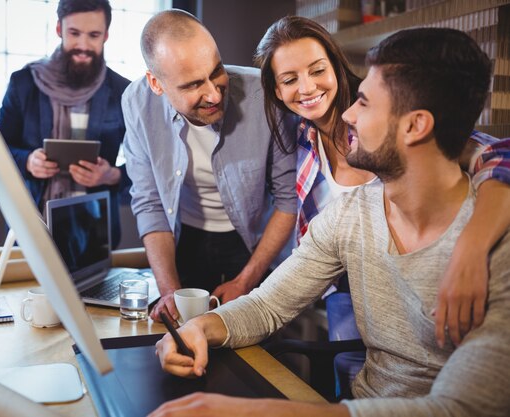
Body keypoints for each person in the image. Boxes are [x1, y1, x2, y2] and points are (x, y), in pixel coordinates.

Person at [152, 28, 510, 417]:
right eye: (288, 80)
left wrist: (249, 412)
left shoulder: (495, 238)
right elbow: (268, 306)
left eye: (364, 102)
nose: (349, 114)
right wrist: (199, 328)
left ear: (415, 126)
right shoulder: (347, 213)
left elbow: (461, 408)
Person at [254, 16, 510, 395]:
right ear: (276, 91)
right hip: (345, 283)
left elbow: (497, 153)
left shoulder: (386, 112)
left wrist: (471, 247)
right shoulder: (301, 137)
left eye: (317, 70)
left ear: (337, 66)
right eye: (289, 80)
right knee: (359, 383)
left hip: (418, 276)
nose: (306, 88)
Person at [122, 10, 297, 323]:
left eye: (216, 71)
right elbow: (149, 202)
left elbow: (288, 198)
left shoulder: (263, 95)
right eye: (192, 85)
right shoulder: (136, 103)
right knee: (187, 338)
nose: (214, 94)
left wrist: (246, 280)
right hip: (184, 237)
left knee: (254, 344)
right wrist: (168, 289)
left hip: (254, 241)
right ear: (156, 84)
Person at [0, 0, 130, 247]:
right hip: (31, 226)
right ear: (59, 29)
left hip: (96, 232)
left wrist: (111, 175)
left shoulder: (123, 92)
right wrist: (28, 161)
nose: (83, 45)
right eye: (74, 33)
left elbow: (146, 168)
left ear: (106, 35)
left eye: (94, 35)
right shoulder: (23, 84)